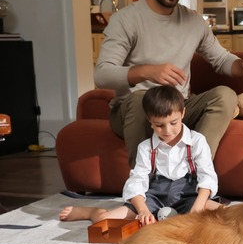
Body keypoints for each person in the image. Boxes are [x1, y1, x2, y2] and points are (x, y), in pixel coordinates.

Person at [94, 0, 243, 167]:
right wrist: (147, 72)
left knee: (225, 95)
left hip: (178, 108)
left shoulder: (193, 21)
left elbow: (222, 59)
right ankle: (145, 184)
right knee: (141, 99)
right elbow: (102, 75)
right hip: (135, 111)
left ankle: (194, 172)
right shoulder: (126, 20)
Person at [60, 85, 222, 226]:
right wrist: (143, 210)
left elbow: (207, 176)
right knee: (105, 220)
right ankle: (92, 212)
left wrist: (198, 206)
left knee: (226, 215)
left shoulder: (196, 141)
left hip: (189, 198)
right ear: (150, 121)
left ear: (183, 113)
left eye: (173, 122)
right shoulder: (146, 148)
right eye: (159, 125)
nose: (167, 131)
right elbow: (137, 181)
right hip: (153, 199)